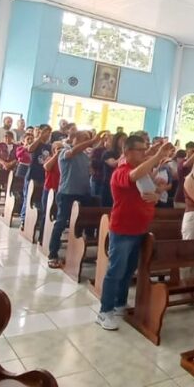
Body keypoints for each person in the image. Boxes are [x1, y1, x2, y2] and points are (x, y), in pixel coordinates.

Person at [96, 137, 174, 330]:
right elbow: (134, 175)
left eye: (145, 150)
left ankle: (119, 304)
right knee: (116, 271)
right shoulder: (121, 172)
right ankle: (104, 311)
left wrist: (157, 194)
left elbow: (152, 194)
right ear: (128, 152)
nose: (143, 153)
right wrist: (157, 155)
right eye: (140, 150)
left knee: (128, 271)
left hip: (140, 229)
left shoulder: (143, 175)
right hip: (123, 229)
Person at [49, 131, 104, 268]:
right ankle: (52, 254)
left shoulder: (85, 155)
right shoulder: (64, 151)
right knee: (61, 223)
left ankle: (78, 252)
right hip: (67, 193)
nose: (87, 141)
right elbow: (73, 152)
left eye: (88, 139)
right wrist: (91, 142)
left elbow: (89, 172)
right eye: (84, 139)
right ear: (75, 139)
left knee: (83, 223)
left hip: (83, 193)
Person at [92, 132, 124, 207]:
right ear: (116, 141)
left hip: (121, 185)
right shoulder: (108, 153)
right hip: (108, 184)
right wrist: (124, 154)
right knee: (107, 208)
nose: (124, 142)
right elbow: (113, 164)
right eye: (122, 140)